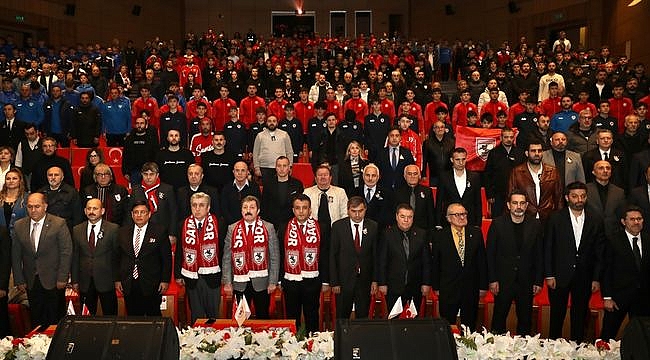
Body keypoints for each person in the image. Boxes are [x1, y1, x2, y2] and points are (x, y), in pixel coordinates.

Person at [544, 181, 605, 342]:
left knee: (580, 316)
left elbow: (600, 252)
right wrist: (549, 274)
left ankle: (576, 348)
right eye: (575, 196)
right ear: (566, 197)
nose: (579, 199)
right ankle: (552, 349)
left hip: (584, 276)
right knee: (557, 315)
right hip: (559, 275)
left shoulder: (596, 219)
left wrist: (596, 278)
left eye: (583, 196)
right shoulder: (556, 218)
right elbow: (548, 247)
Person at [486, 190, 543, 335]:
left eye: (522, 203)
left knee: (525, 321)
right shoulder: (498, 224)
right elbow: (490, 254)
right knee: (498, 319)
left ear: (527, 205)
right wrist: (492, 279)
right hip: (503, 281)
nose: (519, 206)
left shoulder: (535, 225)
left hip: (526, 281)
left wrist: (538, 281)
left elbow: (539, 255)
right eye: (515, 203)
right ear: (508, 205)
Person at [12, 193, 72, 328]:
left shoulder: (58, 223)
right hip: (31, 280)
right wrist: (19, 279)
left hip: (54, 280)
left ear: (45, 206)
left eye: (37, 206)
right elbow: (15, 255)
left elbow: (66, 252)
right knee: (37, 319)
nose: (33, 210)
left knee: (55, 319)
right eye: (30, 207)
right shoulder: (19, 225)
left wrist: (63, 277)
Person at [222, 195, 280, 319]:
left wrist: (273, 281)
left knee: (263, 317)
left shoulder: (268, 227)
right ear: (241, 210)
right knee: (242, 320)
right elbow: (227, 257)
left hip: (262, 282)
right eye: (245, 207)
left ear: (258, 211)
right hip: (239, 282)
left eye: (252, 207)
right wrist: (227, 282)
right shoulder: (232, 229)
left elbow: (274, 256)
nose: (248, 210)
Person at [432, 203, 488, 331]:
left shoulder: (476, 233)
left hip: (470, 289)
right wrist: (436, 287)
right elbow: (436, 264)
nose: (462, 217)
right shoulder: (440, 236)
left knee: (470, 327)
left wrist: (483, 286)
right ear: (448, 218)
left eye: (464, 214)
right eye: (457, 215)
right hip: (448, 288)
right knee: (447, 326)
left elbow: (482, 262)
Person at [600, 205, 650, 340]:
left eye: (639, 219)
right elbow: (606, 270)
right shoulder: (612, 240)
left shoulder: (648, 239)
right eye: (632, 219)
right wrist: (607, 297)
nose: (636, 222)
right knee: (608, 335)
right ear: (623, 222)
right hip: (618, 297)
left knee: (642, 336)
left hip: (644, 298)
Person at [114, 200, 172, 316]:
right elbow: (117, 257)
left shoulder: (159, 231)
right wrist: (117, 279)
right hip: (129, 282)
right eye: (136, 212)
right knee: (133, 318)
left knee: (153, 316)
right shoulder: (122, 232)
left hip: (152, 283)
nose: (139, 215)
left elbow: (166, 258)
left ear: (149, 214)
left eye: (142, 212)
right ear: (131, 215)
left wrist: (165, 280)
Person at [330, 196, 379, 319]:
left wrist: (375, 280)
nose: (357, 215)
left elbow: (375, 255)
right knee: (342, 316)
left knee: (363, 316)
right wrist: (334, 282)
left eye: (360, 211)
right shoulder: (338, 227)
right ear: (347, 210)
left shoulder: (373, 226)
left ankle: (361, 338)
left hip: (364, 280)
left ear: (365, 209)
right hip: (343, 280)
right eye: (353, 211)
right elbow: (333, 255)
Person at [175, 192, 221, 323]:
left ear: (208, 207)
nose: (197, 208)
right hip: (191, 277)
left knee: (213, 317)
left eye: (201, 205)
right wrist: (178, 274)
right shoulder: (182, 224)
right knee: (196, 315)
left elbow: (223, 251)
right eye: (194, 205)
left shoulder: (219, 223)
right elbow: (179, 251)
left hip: (213, 277)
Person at [282, 194, 325, 333]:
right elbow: (280, 253)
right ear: (293, 210)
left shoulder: (321, 228)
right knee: (291, 315)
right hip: (291, 279)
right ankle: (291, 345)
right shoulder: (284, 227)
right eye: (298, 208)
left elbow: (325, 255)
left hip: (312, 280)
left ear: (310, 210)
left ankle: (312, 345)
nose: (301, 211)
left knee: (312, 314)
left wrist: (325, 281)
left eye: (304, 208)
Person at [378, 203, 432, 311]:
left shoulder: (422, 234)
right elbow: (382, 261)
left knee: (413, 322)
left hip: (415, 286)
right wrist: (382, 283)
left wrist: (426, 283)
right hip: (394, 287)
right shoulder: (387, 234)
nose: (406, 220)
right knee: (394, 321)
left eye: (409, 217)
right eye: (402, 216)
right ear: (397, 217)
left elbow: (426, 261)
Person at [71, 198, 119, 315]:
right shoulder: (77, 230)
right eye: (89, 208)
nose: (91, 211)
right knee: (86, 316)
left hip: (106, 280)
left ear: (102, 211)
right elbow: (75, 257)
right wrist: (75, 280)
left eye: (95, 208)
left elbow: (117, 256)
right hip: (85, 281)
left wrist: (117, 279)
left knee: (110, 315)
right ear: (85, 211)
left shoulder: (113, 229)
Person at [508, 141, 563, 222]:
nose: (537, 154)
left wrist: (559, 218)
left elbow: (559, 197)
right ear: (527, 153)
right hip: (525, 217)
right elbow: (511, 196)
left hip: (548, 217)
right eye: (533, 151)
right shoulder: (517, 172)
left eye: (540, 151)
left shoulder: (553, 171)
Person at [485, 128, 526, 218]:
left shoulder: (520, 153)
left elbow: (524, 174)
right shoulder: (494, 153)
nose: (509, 139)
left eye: (511, 137)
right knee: (498, 220)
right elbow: (488, 174)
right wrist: (490, 194)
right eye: (506, 137)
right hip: (497, 194)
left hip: (516, 194)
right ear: (501, 137)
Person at [436, 148, 483, 226]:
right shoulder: (444, 177)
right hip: (450, 221)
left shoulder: (475, 177)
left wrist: (478, 223)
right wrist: (438, 223)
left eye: (463, 159)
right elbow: (439, 202)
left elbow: (478, 202)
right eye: (457, 159)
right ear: (452, 160)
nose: (461, 162)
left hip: (469, 220)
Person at [585, 160, 626, 237]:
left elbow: (621, 214)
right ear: (593, 172)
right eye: (601, 168)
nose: (605, 171)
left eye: (608, 168)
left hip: (613, 234)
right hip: (591, 233)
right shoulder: (585, 190)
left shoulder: (619, 192)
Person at [252, 115, 294, 186]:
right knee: (267, 190)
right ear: (266, 123)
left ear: (277, 123)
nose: (272, 123)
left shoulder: (284, 134)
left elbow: (289, 151)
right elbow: (255, 152)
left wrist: (289, 166)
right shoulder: (260, 135)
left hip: (281, 167)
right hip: (265, 167)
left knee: (281, 187)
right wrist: (256, 167)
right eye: (269, 121)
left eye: (274, 121)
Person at [220, 161, 262, 226]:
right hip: (230, 225)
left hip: (250, 224)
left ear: (247, 172)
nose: (240, 173)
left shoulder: (254, 188)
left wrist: (246, 223)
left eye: (243, 170)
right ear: (233, 172)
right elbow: (224, 209)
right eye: (237, 170)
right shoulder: (226, 188)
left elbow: (257, 207)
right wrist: (234, 225)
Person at [354, 163, 394, 231]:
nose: (370, 178)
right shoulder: (354, 192)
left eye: (373, 175)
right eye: (367, 175)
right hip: (358, 231)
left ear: (378, 177)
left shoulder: (387, 194)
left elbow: (389, 215)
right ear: (363, 176)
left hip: (379, 233)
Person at [122, 116, 159, 186]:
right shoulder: (129, 139)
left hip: (149, 171)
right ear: (135, 125)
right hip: (134, 172)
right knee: (136, 194)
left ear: (146, 125)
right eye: (137, 123)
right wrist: (125, 172)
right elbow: (125, 156)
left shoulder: (151, 139)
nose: (139, 125)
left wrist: (155, 170)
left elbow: (156, 156)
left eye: (142, 123)